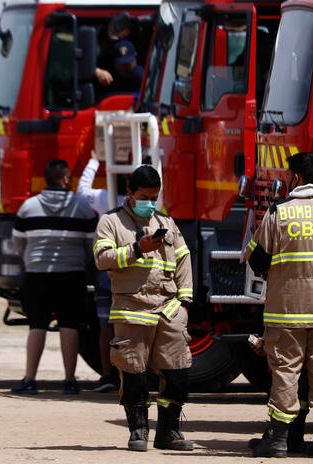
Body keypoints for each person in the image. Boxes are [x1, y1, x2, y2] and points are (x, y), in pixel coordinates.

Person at [244, 152, 313, 458]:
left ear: (294, 176)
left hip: (287, 311)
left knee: (286, 372)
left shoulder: (279, 211)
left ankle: (279, 439)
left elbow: (256, 258)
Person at [94, 165, 194, 452]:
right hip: (131, 308)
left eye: (155, 196)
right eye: (144, 196)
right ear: (130, 193)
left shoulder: (167, 222)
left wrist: (185, 302)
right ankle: (138, 432)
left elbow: (184, 259)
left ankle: (169, 432)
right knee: (134, 373)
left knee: (178, 372)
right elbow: (102, 259)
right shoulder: (110, 222)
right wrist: (138, 249)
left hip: (169, 309)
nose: (150, 202)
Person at [10, 159, 97, 395]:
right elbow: (93, 243)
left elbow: (18, 242)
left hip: (37, 275)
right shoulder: (82, 207)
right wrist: (80, 261)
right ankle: (69, 381)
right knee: (69, 325)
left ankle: (30, 380)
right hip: (71, 274)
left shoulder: (28, 206)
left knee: (36, 325)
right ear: (66, 179)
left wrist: (32, 258)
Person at [78, 154, 127, 393]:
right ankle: (128, 375)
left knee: (104, 324)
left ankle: (107, 376)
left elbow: (81, 190)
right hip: (129, 272)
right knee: (128, 326)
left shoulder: (101, 197)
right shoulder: (139, 203)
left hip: (105, 269)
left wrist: (95, 160)